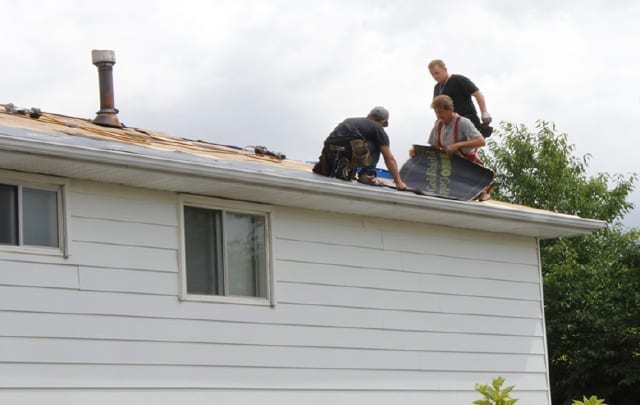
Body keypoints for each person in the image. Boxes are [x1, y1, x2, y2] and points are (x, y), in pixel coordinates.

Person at [313, 106, 407, 190]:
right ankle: (367, 174)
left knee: (352, 143)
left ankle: (337, 167)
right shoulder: (378, 128)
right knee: (377, 144)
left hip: (329, 150)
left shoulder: (349, 120)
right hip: (350, 150)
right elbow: (389, 158)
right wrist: (398, 182)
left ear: (369, 115)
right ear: (383, 121)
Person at [428, 59, 492, 136]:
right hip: (450, 125)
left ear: (445, 69)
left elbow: (478, 95)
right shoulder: (437, 88)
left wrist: (484, 113)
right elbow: (437, 107)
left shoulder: (459, 80)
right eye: (432, 75)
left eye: (437, 73)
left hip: (467, 120)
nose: (435, 76)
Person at [427, 94, 485, 163]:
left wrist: (458, 145)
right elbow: (433, 147)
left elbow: (481, 141)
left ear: (450, 110)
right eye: (436, 112)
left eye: (440, 112)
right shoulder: (438, 124)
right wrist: (417, 153)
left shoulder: (463, 122)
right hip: (450, 166)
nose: (438, 115)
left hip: (468, 165)